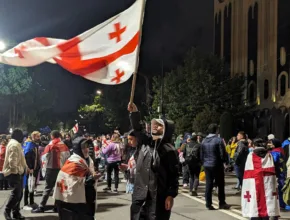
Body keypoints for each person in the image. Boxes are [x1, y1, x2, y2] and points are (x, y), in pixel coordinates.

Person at [128, 103, 179, 220]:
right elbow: (137, 129)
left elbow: (173, 175)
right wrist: (134, 113)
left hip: (158, 197)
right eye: (154, 125)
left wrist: (170, 195)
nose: (155, 127)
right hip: (140, 196)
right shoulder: (145, 143)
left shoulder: (169, 151)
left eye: (159, 126)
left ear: (167, 130)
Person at [54, 136, 100, 219]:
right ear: (78, 149)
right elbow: (72, 186)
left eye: (87, 146)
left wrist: (92, 177)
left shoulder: (88, 160)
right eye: (83, 147)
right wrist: (91, 178)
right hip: (74, 203)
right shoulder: (74, 163)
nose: (87, 149)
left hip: (87, 199)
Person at [32, 130, 70, 213]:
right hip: (61, 170)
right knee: (59, 188)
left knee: (48, 188)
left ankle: (41, 206)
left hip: (50, 169)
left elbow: (44, 158)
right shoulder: (64, 145)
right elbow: (68, 158)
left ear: (52, 136)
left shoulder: (50, 145)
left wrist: (44, 169)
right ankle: (57, 206)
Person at [242, 139, 279, 219]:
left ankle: (255, 215)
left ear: (254, 145)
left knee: (254, 199)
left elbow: (247, 172)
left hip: (254, 182)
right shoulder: (269, 155)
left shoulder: (250, 155)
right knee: (268, 199)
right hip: (268, 182)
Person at [201, 124, 230, 210]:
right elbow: (222, 154)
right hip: (217, 164)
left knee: (208, 184)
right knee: (220, 184)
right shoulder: (218, 140)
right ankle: (222, 203)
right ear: (216, 130)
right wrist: (225, 162)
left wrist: (203, 162)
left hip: (207, 165)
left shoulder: (204, 141)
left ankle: (208, 204)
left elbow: (201, 154)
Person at [3, 129, 29, 220]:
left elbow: (20, 159)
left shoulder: (14, 143)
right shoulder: (15, 145)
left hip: (17, 172)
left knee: (19, 194)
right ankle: (7, 211)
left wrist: (25, 168)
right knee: (16, 194)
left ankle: (16, 213)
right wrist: (17, 171)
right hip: (14, 173)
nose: (23, 138)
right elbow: (12, 161)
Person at [23, 131, 41, 211]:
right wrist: (30, 168)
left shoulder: (33, 144)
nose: (39, 138)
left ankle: (31, 202)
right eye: (37, 136)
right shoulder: (30, 144)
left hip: (34, 168)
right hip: (31, 169)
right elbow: (27, 156)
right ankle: (26, 203)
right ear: (33, 136)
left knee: (32, 185)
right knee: (28, 185)